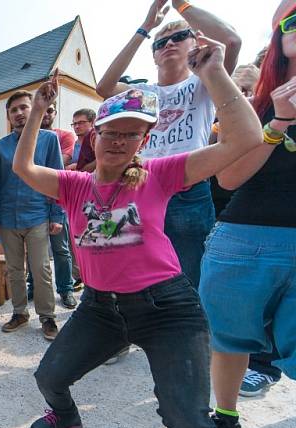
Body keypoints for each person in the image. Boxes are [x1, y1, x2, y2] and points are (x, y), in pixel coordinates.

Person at [13, 35, 261, 428]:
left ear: (143, 141)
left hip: (168, 308)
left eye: (132, 134)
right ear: (95, 134)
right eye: (113, 132)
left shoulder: (159, 174)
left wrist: (214, 74)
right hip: (101, 309)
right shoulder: (74, 185)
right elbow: (22, 167)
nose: (120, 141)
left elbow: (245, 140)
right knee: (48, 378)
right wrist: (39, 110)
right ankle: (67, 416)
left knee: (187, 418)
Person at [200, 0, 296, 428]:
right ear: (278, 37)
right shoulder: (255, 100)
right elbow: (230, 178)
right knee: (231, 338)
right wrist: (278, 122)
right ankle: (227, 418)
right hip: (246, 237)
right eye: (291, 18)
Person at [96, 0, 242, 288]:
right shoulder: (143, 94)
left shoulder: (204, 80)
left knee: (190, 274)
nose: (168, 44)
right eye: (161, 43)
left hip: (187, 190)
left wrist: (181, 5)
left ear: (195, 43)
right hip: (143, 187)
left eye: (178, 38)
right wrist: (146, 27)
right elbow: (104, 87)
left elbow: (231, 40)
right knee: (139, 269)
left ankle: (192, 330)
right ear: (153, 55)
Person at [0, 90, 63, 341]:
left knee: (41, 268)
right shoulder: (0, 146)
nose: (19, 113)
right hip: (8, 218)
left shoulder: (49, 140)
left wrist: (57, 214)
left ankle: (47, 316)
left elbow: (58, 179)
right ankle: (19, 312)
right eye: (14, 110)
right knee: (14, 269)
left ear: (34, 110)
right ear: (8, 116)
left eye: (24, 108)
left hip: (38, 214)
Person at [38, 104, 78, 309]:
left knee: (61, 250)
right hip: (34, 202)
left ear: (55, 113)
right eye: (42, 109)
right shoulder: (28, 136)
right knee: (35, 251)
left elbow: (59, 166)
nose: (46, 113)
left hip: (57, 198)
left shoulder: (64, 136)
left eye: (51, 109)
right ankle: (33, 286)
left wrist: (35, 166)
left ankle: (66, 289)